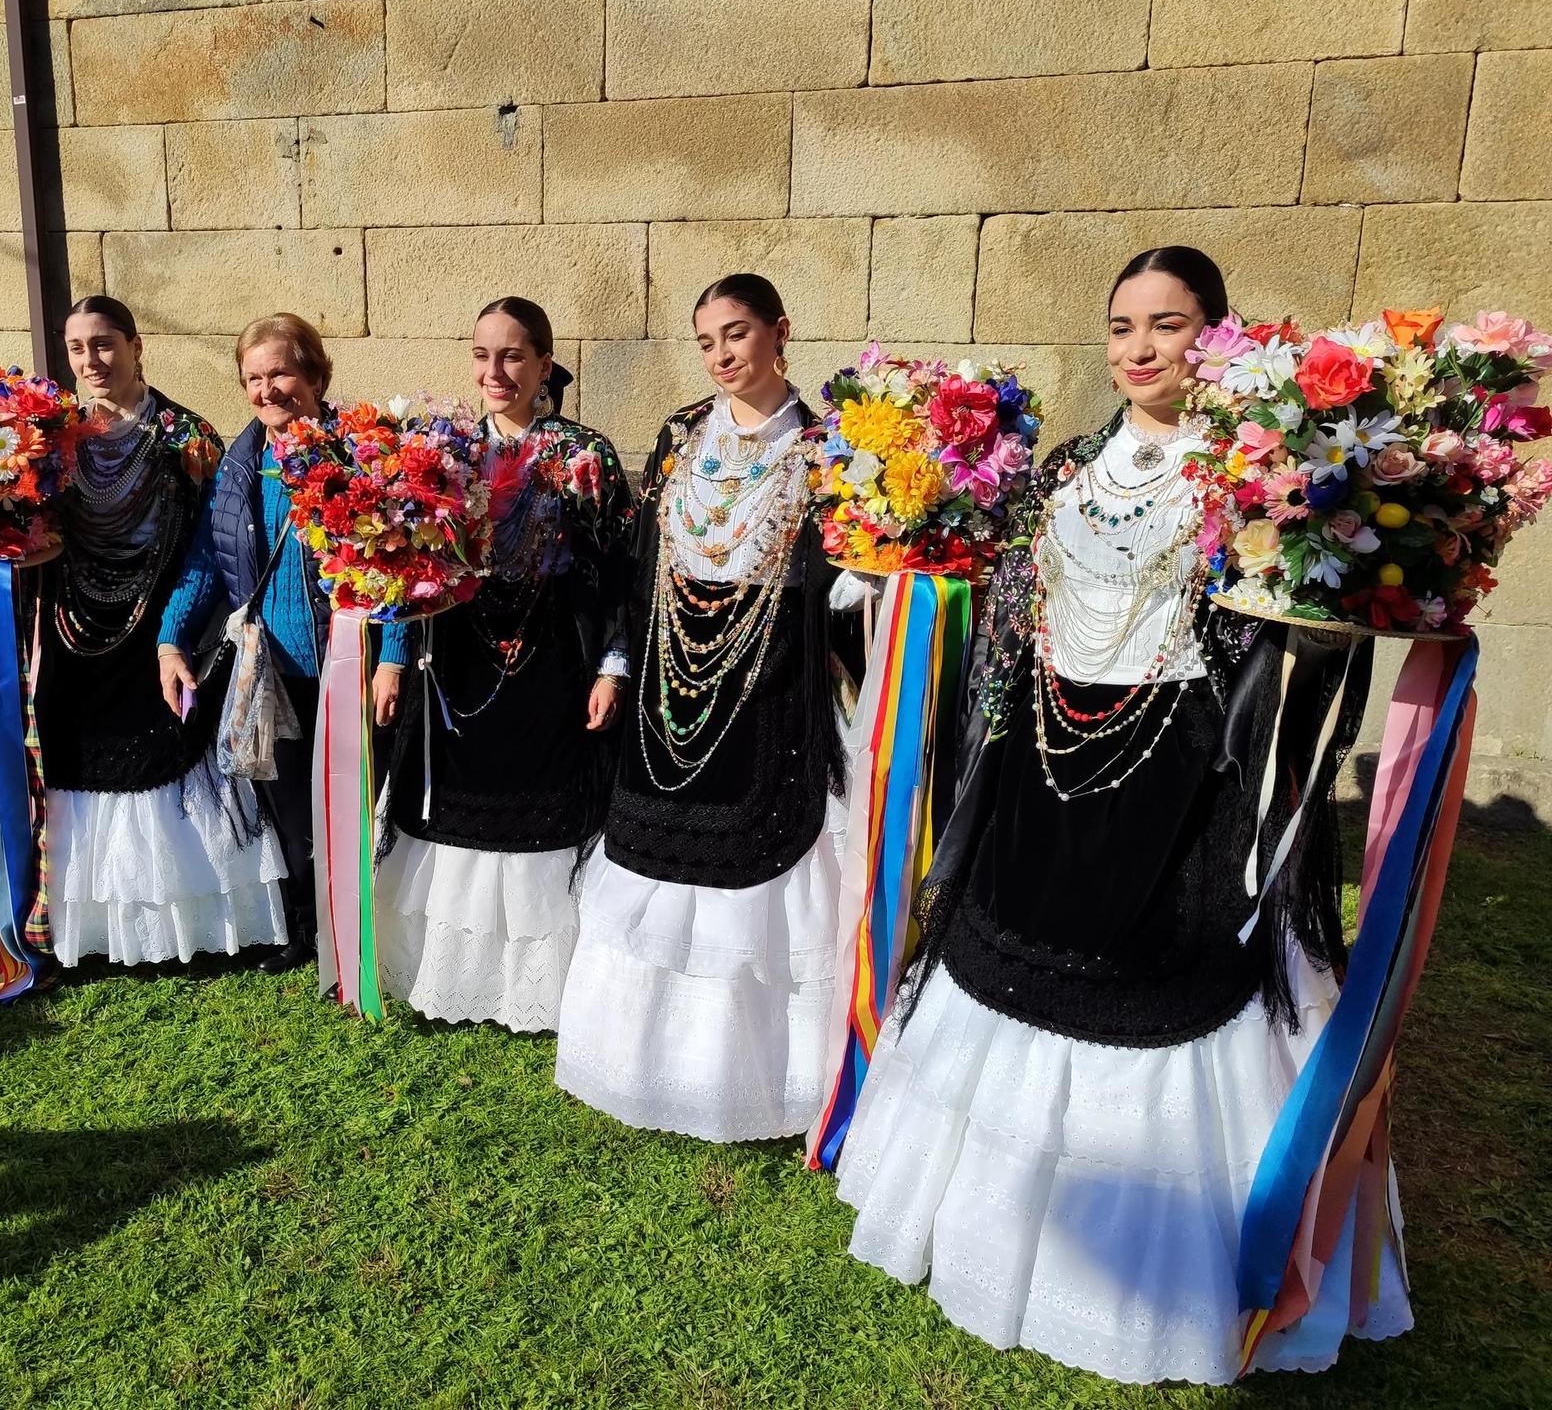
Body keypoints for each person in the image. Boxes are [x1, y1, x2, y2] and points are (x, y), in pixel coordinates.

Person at [832, 247, 1409, 1383]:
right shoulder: (1064, 468)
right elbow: (1011, 601)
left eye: (1167, 323)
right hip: (1045, 756)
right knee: (1008, 961)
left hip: (1183, 770)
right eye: (1120, 327)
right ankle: (988, 1233)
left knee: (1160, 977)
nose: (1138, 349)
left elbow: (1290, 630)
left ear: (1216, 335)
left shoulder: (1258, 477)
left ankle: (1168, 1272)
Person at [553, 274, 848, 1141]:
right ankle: (640, 1061)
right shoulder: (682, 434)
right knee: (653, 861)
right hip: (671, 683)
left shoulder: (830, 449)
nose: (723, 356)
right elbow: (644, 566)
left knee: (762, 865)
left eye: (739, 334)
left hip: (775, 688)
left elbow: (834, 576)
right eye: (708, 341)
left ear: (780, 332)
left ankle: (750, 1079)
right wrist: (618, 663)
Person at [364, 298, 633, 1031]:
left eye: (513, 356)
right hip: (454, 670)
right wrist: (391, 655)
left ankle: (538, 984)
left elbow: (619, 577)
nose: (496, 371)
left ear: (545, 364)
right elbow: (404, 569)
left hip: (554, 670)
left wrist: (613, 667)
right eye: (483, 355)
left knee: (541, 819)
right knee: (454, 815)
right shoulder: (439, 453)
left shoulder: (587, 457)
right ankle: (454, 978)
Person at [36, 296, 286, 966]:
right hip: (75, 630)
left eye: (105, 343)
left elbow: (213, 549)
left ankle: (187, 925)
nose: (92, 360)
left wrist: (181, 631)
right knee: (78, 764)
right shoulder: (47, 437)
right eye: (78, 347)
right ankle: (89, 927)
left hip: (163, 632)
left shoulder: (188, 437)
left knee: (165, 760)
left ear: (137, 345)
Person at [156, 313, 336, 974]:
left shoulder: (358, 452)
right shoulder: (239, 464)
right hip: (271, 670)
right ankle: (303, 930)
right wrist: (170, 640)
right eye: (254, 378)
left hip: (342, 664)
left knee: (349, 802)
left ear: (317, 374)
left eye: (282, 372)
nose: (268, 390)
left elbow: (395, 569)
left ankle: (358, 926)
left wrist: (392, 659)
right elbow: (207, 558)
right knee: (287, 805)